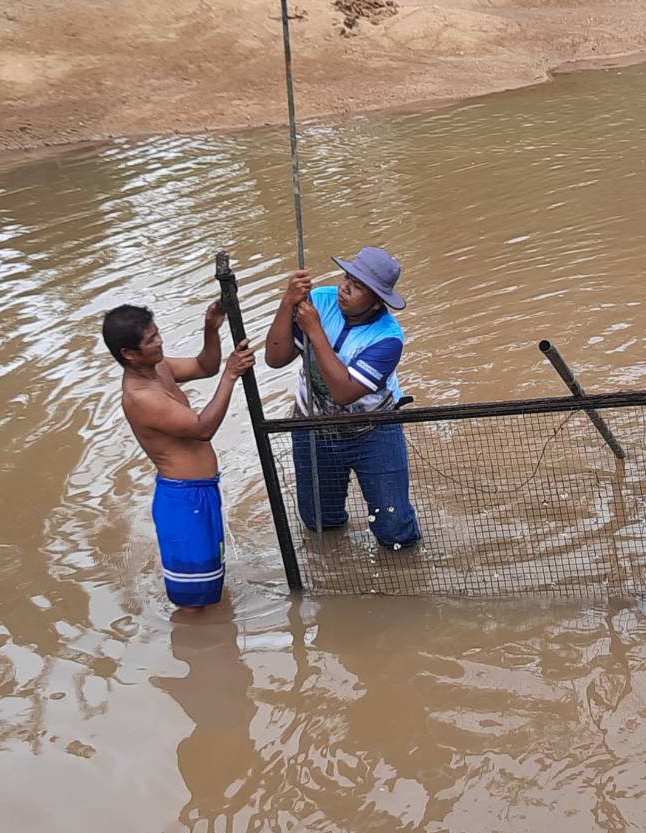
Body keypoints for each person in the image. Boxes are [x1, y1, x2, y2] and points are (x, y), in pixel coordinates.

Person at [264, 247, 421, 548]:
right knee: (320, 521)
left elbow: (345, 392)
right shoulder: (320, 301)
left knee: (395, 527)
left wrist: (315, 331)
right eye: (347, 277)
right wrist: (288, 302)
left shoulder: (388, 338)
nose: (345, 288)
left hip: (373, 431)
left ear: (377, 303)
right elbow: (275, 357)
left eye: (358, 286)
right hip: (313, 427)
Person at [102, 301, 255, 610]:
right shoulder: (141, 397)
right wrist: (230, 376)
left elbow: (204, 366)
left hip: (202, 493)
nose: (160, 342)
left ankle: (218, 651)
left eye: (157, 334)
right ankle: (196, 654)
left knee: (211, 591)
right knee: (193, 604)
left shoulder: (158, 368)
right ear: (129, 354)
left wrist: (211, 329)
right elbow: (202, 428)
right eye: (150, 340)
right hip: (184, 503)